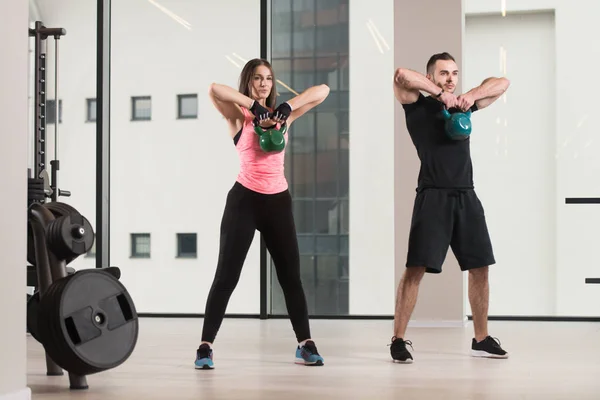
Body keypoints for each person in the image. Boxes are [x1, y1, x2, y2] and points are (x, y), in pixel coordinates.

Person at [194, 58, 330, 369]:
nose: (264, 83)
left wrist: (286, 107)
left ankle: (305, 344)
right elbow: (215, 89)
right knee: (226, 277)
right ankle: (205, 346)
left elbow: (323, 90)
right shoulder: (238, 117)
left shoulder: (286, 118)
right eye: (257, 78)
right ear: (249, 82)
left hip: (278, 202)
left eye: (268, 78)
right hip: (244, 201)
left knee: (290, 277)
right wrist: (254, 107)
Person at [390, 52, 511, 363]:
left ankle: (481, 338)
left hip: (466, 195)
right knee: (415, 269)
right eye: (444, 73)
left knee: (480, 267)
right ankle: (398, 339)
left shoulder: (464, 105)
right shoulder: (416, 104)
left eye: (455, 73)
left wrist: (468, 96)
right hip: (432, 195)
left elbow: (502, 83)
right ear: (432, 77)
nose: (451, 78)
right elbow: (402, 74)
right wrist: (441, 94)